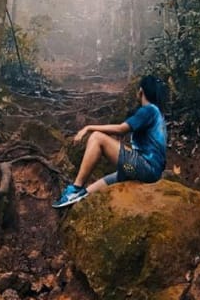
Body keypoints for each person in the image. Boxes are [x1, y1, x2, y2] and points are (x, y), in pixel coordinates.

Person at [53, 74, 168, 208]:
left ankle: (76, 188)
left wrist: (88, 127)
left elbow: (121, 129)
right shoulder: (156, 112)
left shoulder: (148, 110)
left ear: (141, 91)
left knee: (97, 137)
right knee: (91, 190)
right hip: (146, 170)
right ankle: (78, 197)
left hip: (146, 169)